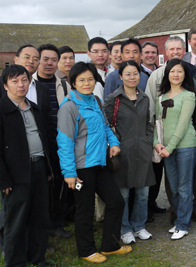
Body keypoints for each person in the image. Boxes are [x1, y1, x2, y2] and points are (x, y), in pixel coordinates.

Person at [0, 65, 58, 267]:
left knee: (40, 217)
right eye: (15, 81)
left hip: (40, 169)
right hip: (16, 175)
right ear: (5, 84)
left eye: (24, 80)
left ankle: (38, 257)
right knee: (16, 221)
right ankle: (16, 261)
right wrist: (2, 178)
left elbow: (45, 140)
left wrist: (49, 170)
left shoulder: (35, 108)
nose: (21, 85)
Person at [57, 62, 131, 263]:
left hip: (100, 164)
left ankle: (110, 245)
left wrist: (114, 143)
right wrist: (69, 173)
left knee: (116, 202)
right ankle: (86, 250)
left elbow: (107, 127)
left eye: (90, 79)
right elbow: (64, 142)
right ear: (73, 82)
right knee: (85, 209)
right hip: (81, 168)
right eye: (81, 80)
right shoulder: (69, 107)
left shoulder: (96, 101)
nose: (87, 83)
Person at [145, 36, 196, 224]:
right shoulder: (157, 76)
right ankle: (176, 212)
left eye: (179, 49)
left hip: (193, 131)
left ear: (184, 51)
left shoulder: (194, 74)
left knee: (195, 174)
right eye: (172, 49)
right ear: (166, 52)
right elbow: (152, 107)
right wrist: (155, 138)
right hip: (166, 135)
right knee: (173, 179)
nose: (175, 52)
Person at [103, 61, 156, 245]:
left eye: (135, 73)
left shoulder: (144, 98)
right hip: (122, 152)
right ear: (120, 76)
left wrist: (148, 143)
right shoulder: (113, 99)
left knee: (143, 193)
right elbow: (106, 125)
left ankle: (139, 226)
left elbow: (149, 124)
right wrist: (114, 145)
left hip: (142, 151)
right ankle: (125, 228)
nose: (132, 77)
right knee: (123, 194)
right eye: (128, 74)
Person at [153, 59, 196, 240]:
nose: (176, 75)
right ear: (167, 74)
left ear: (184, 74)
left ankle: (182, 225)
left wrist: (169, 148)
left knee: (185, 187)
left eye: (179, 71)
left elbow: (182, 124)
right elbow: (158, 123)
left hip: (185, 146)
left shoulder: (189, 96)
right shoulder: (161, 97)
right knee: (174, 187)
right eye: (172, 71)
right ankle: (182, 221)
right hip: (166, 149)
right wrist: (157, 144)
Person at [34, 44, 73, 239]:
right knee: (41, 185)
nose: (50, 63)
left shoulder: (63, 84)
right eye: (45, 59)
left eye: (53, 60)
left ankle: (57, 222)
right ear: (38, 60)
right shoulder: (29, 83)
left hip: (59, 140)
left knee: (60, 182)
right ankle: (41, 225)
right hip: (38, 142)